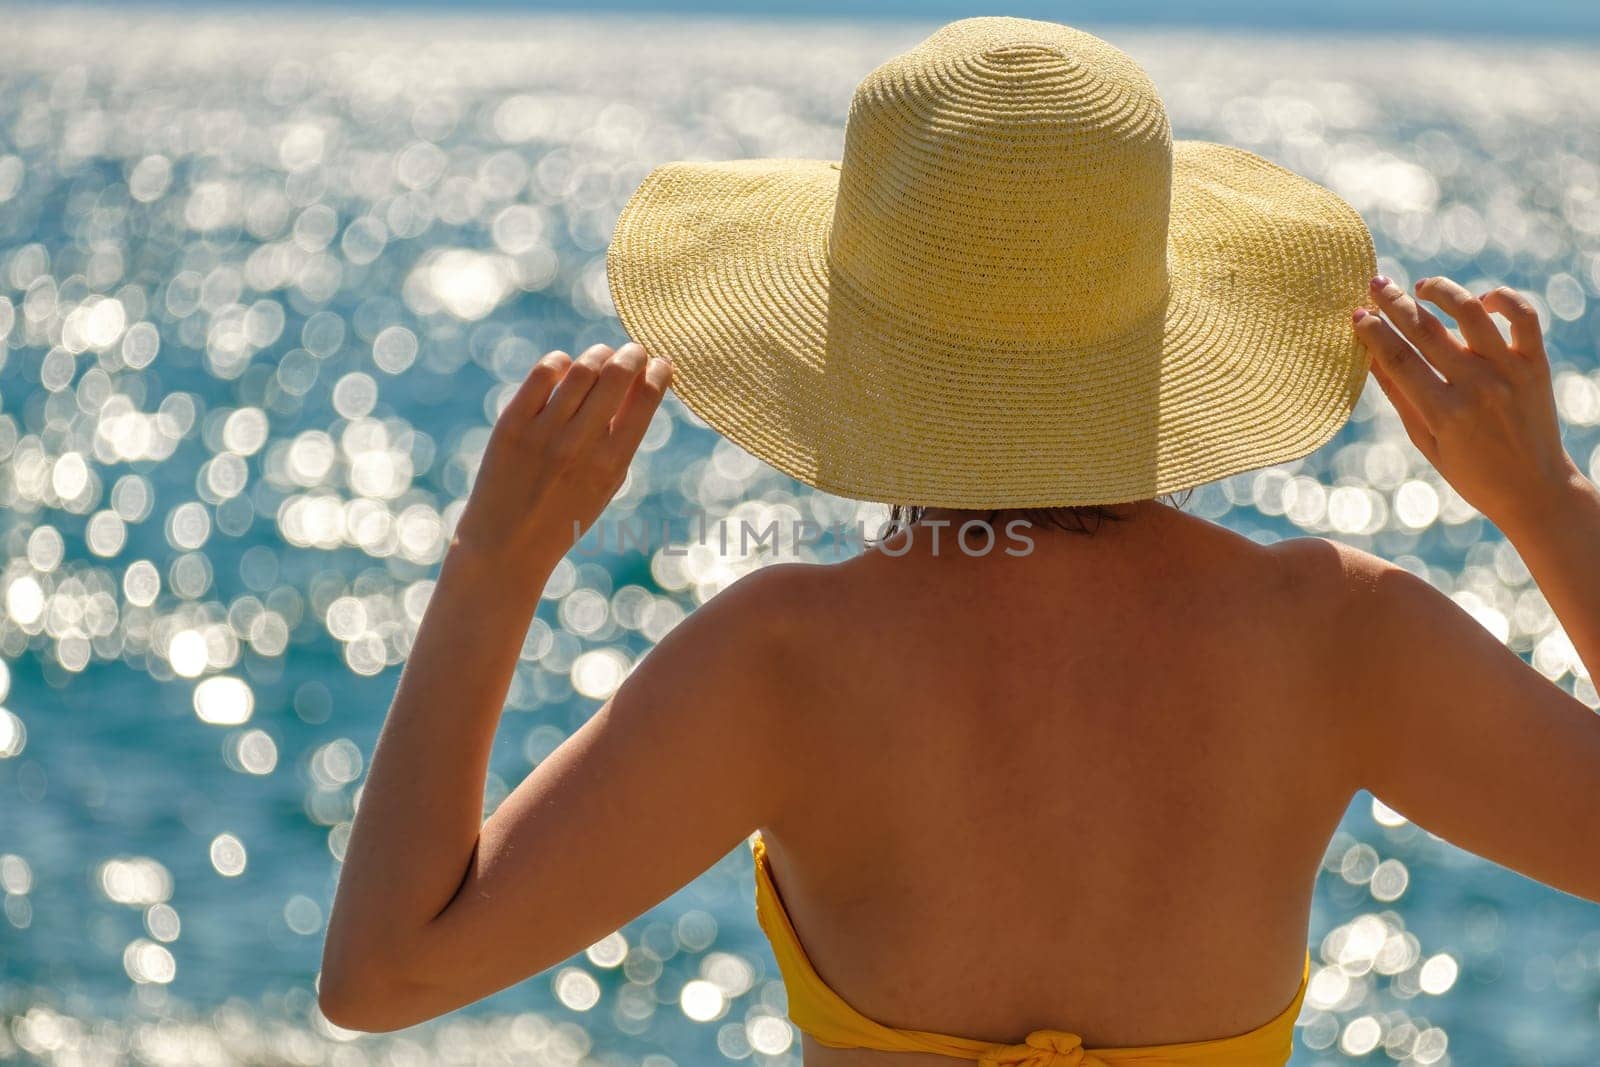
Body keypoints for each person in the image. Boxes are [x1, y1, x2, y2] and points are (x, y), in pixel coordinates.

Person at [318, 17, 1600, 1066]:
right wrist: (1543, 501)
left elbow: (383, 975)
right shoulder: (1339, 638)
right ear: (1157, 330)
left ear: (850, 337)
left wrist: (496, 563)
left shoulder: (782, 658)